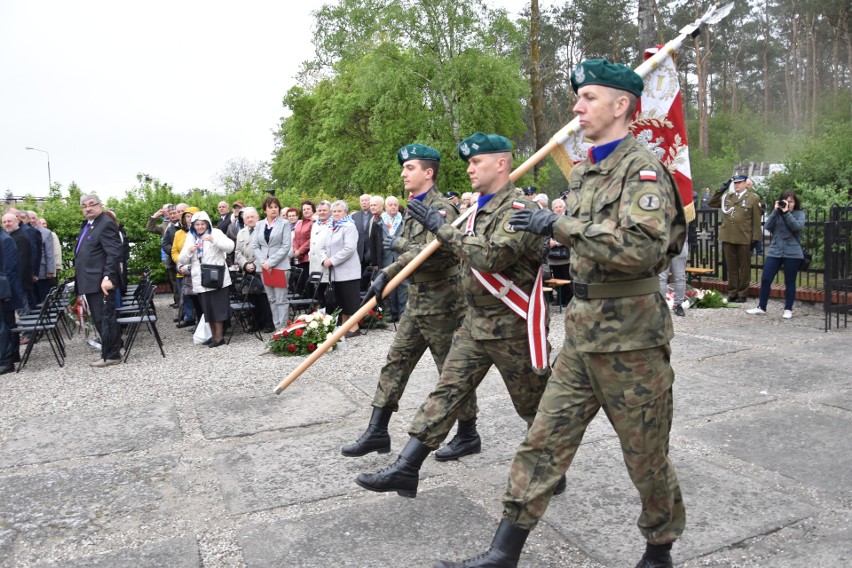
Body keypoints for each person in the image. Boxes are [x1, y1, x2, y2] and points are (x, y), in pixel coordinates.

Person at [434, 60, 688, 568]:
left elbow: (640, 249)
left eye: (588, 98)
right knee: (542, 441)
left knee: (645, 458)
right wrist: (555, 225)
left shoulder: (641, 169)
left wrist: (559, 225)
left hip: (631, 341)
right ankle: (504, 552)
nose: (576, 107)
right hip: (583, 333)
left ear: (621, 105)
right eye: (578, 98)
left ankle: (659, 549)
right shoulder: (590, 168)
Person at [355, 132, 553, 501]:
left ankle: (552, 467)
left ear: (502, 164)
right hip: (476, 323)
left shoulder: (519, 210)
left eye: (476, 162)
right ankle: (406, 467)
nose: (469, 168)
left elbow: (491, 258)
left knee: (532, 405)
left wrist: (440, 227)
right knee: (446, 392)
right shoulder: (477, 208)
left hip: (512, 324)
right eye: (468, 162)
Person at [341, 143, 478, 459]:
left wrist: (396, 249)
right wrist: (386, 274)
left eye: (410, 168)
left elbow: (436, 252)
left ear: (428, 173)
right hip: (417, 302)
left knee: (452, 373)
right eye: (404, 168)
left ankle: (469, 434)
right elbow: (410, 254)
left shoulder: (442, 208)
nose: (403, 173)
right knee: (396, 361)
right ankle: (377, 431)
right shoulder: (413, 206)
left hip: (444, 305)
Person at [74, 194, 124, 367]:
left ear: (99, 205)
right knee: (99, 318)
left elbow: (114, 253)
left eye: (92, 204)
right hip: (90, 281)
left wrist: (108, 277)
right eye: (84, 205)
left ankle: (112, 355)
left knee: (105, 318)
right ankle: (111, 349)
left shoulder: (105, 223)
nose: (88, 208)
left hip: (101, 282)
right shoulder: (89, 225)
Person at [179, 211, 234, 348]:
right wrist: (189, 251)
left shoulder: (216, 232)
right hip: (201, 279)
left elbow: (230, 246)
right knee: (207, 309)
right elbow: (181, 259)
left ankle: (219, 337)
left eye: (202, 224)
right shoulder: (191, 237)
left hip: (216, 277)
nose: (200, 227)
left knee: (218, 308)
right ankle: (213, 336)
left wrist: (214, 240)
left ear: (207, 223)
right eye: (197, 224)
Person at [746, 190, 805, 319]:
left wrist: (786, 213)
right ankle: (761, 307)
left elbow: (796, 227)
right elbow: (767, 226)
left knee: (790, 281)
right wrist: (775, 210)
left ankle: (788, 309)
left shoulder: (800, 214)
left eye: (791, 201)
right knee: (766, 278)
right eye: (786, 201)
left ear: (795, 203)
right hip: (775, 250)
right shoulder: (777, 213)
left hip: (793, 252)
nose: (788, 203)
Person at [707, 174, 762, 303]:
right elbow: (711, 203)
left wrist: (755, 239)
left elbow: (757, 221)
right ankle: (732, 292)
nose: (737, 185)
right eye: (735, 183)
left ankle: (742, 293)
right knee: (731, 266)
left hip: (744, 236)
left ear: (745, 183)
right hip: (728, 236)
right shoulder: (727, 197)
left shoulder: (753, 198)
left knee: (744, 267)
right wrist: (721, 189)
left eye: (739, 182)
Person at [321, 200, 362, 338]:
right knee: (341, 300)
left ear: (345, 212)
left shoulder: (349, 226)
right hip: (335, 272)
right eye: (334, 211)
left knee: (350, 300)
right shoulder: (330, 227)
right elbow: (322, 246)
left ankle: (355, 328)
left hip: (348, 271)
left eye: (339, 211)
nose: (336, 214)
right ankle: (344, 326)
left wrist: (332, 260)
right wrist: (323, 259)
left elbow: (349, 248)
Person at [252, 195, 292, 330]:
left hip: (279, 266)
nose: (274, 210)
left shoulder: (284, 224)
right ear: (265, 210)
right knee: (272, 299)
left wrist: (271, 262)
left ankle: (284, 330)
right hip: (264, 267)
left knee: (281, 300)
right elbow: (255, 246)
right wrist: (264, 262)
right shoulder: (259, 225)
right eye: (270, 207)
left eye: (276, 207)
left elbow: (286, 246)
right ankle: (277, 328)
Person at [235, 207, 274, 332]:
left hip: (261, 268)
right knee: (251, 297)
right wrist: (245, 264)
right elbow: (237, 252)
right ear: (244, 220)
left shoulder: (265, 230)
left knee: (264, 298)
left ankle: (268, 324)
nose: (250, 219)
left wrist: (256, 264)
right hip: (247, 269)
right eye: (247, 217)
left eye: (253, 216)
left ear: (258, 217)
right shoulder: (241, 233)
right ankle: (256, 324)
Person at [380, 196, 408, 321]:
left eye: (395, 205)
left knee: (403, 285)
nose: (393, 207)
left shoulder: (404, 222)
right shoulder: (380, 222)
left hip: (401, 257)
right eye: (390, 205)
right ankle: (391, 313)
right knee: (388, 286)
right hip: (385, 258)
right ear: (385, 207)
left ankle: (403, 313)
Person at [0, 228, 24, 374]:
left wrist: (6, 291)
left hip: (3, 290)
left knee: (4, 327)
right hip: (4, 289)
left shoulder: (5, 240)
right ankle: (11, 355)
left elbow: (8, 269)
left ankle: (6, 361)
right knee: (7, 325)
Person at [172, 207, 201, 327]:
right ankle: (189, 317)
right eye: (187, 217)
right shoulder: (178, 233)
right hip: (181, 269)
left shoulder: (199, 234)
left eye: (191, 216)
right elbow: (174, 251)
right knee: (186, 296)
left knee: (197, 298)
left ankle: (199, 321)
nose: (189, 219)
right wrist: (180, 263)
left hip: (195, 270)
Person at [546, 198, 572, 307]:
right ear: (552, 209)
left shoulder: (567, 219)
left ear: (564, 208)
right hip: (553, 257)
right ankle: (560, 299)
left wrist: (556, 243)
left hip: (565, 255)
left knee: (567, 278)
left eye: (560, 207)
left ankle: (569, 300)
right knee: (556, 278)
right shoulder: (549, 220)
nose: (558, 209)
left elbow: (569, 235)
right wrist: (548, 241)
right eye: (556, 207)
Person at [308, 201, 333, 307]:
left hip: (326, 261)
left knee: (328, 293)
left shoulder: (333, 224)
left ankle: (331, 316)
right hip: (315, 262)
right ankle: (322, 316)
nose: (322, 212)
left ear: (330, 211)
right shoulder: (315, 224)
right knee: (319, 292)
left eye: (324, 210)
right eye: (319, 210)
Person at [292, 201, 314, 296]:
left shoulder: (314, 222)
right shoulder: (300, 223)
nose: (306, 211)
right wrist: (295, 250)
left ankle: (310, 304)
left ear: (313, 210)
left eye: (308, 209)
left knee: (308, 283)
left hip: (308, 258)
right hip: (299, 258)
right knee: (300, 283)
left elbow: (311, 239)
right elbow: (295, 239)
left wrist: (300, 250)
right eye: (304, 209)